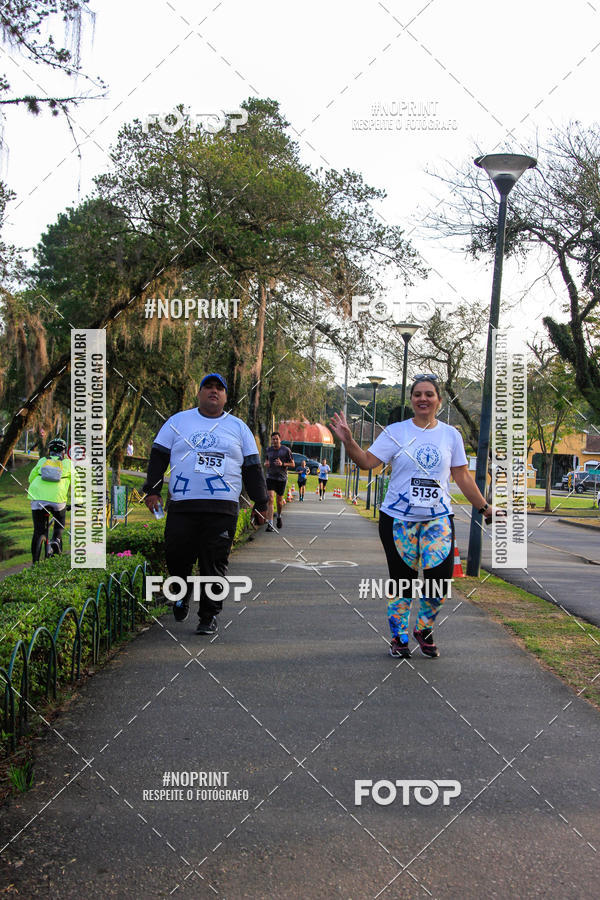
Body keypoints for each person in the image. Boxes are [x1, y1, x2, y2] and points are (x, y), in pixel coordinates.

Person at [331, 375, 504, 659]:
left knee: (440, 580)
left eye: (429, 394)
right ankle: (398, 638)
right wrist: (349, 441)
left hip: (438, 520)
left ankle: (424, 628)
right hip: (398, 520)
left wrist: (486, 508)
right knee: (403, 583)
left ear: (438, 400)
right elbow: (366, 463)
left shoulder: (451, 435)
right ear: (411, 399)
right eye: (417, 394)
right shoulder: (395, 432)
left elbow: (461, 475)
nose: (423, 399)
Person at [143, 373, 268, 634]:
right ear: (199, 393)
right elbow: (158, 456)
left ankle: (208, 616)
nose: (213, 391)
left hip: (222, 508)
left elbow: (253, 467)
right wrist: (152, 490)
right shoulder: (178, 422)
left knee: (214, 563)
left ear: (225, 396)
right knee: (177, 557)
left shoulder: (238, 427)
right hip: (182, 506)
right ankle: (181, 594)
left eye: (219, 388)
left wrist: (261, 501)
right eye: (208, 387)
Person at [28, 437, 71, 560]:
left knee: (38, 531)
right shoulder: (68, 463)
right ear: (64, 452)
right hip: (57, 501)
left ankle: (35, 562)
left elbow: (31, 478)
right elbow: (77, 483)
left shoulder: (42, 460)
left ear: (50, 450)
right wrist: (78, 502)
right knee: (59, 524)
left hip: (38, 500)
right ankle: (56, 540)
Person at [264, 431, 294, 531]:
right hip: (270, 477)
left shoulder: (286, 450)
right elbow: (266, 460)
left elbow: (292, 464)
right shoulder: (268, 450)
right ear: (271, 440)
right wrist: (266, 463)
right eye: (273, 439)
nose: (275, 441)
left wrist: (282, 464)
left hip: (281, 478)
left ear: (280, 439)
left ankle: (279, 516)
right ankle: (270, 524)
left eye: (277, 439)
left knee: (279, 501)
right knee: (270, 499)